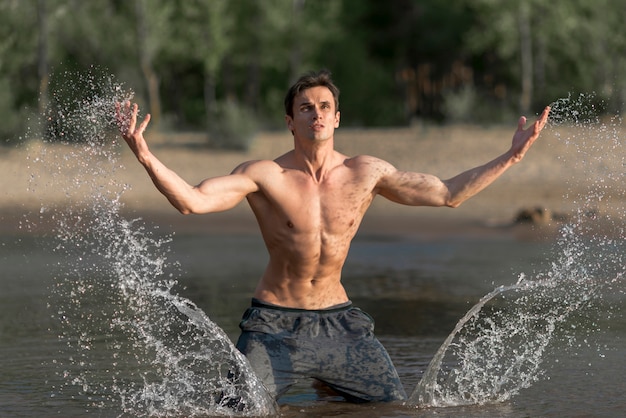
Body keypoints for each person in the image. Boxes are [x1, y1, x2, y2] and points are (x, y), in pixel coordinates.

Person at [117, 70, 550, 403]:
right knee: (236, 410)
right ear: (290, 120)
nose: (317, 113)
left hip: (340, 323)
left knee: (391, 406)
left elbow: (448, 193)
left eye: (325, 106)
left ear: (337, 118)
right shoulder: (265, 175)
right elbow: (193, 201)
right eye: (306, 107)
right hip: (273, 324)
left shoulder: (366, 172)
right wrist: (145, 155)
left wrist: (510, 157)